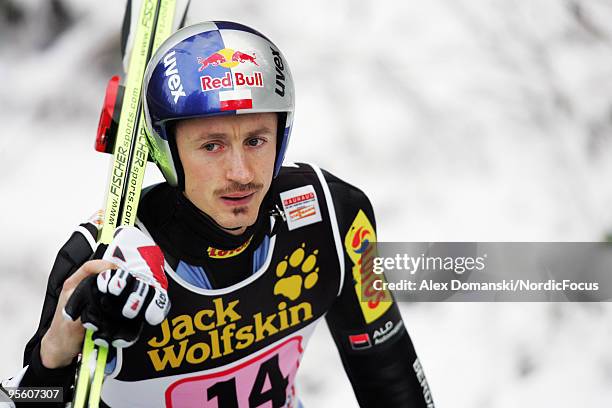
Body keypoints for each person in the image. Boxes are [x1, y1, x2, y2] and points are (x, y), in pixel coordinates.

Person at [1, 21, 435, 407]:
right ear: (169, 153)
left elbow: (389, 371)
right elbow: (30, 399)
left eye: (256, 140)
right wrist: (54, 354)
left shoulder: (330, 218)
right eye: (212, 146)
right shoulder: (105, 258)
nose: (240, 173)